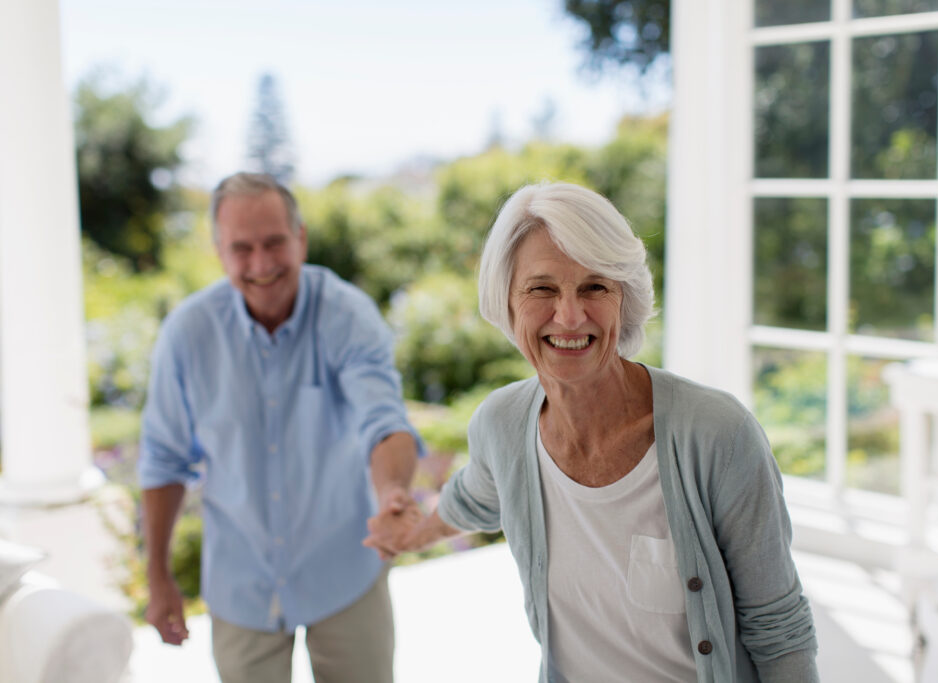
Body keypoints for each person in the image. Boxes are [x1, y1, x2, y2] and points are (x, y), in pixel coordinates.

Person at [364, 182, 819, 682]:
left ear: (624, 298)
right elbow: (468, 501)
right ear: (506, 302)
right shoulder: (502, 425)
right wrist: (409, 533)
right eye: (542, 288)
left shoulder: (718, 436)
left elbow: (779, 630)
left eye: (594, 286)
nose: (570, 315)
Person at [139, 172, 423, 683]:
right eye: (241, 249)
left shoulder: (347, 314)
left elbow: (382, 421)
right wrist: (157, 576)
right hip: (240, 584)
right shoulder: (188, 334)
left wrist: (393, 493)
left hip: (344, 571)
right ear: (219, 251)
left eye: (274, 243)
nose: (262, 264)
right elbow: (163, 459)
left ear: (301, 239)